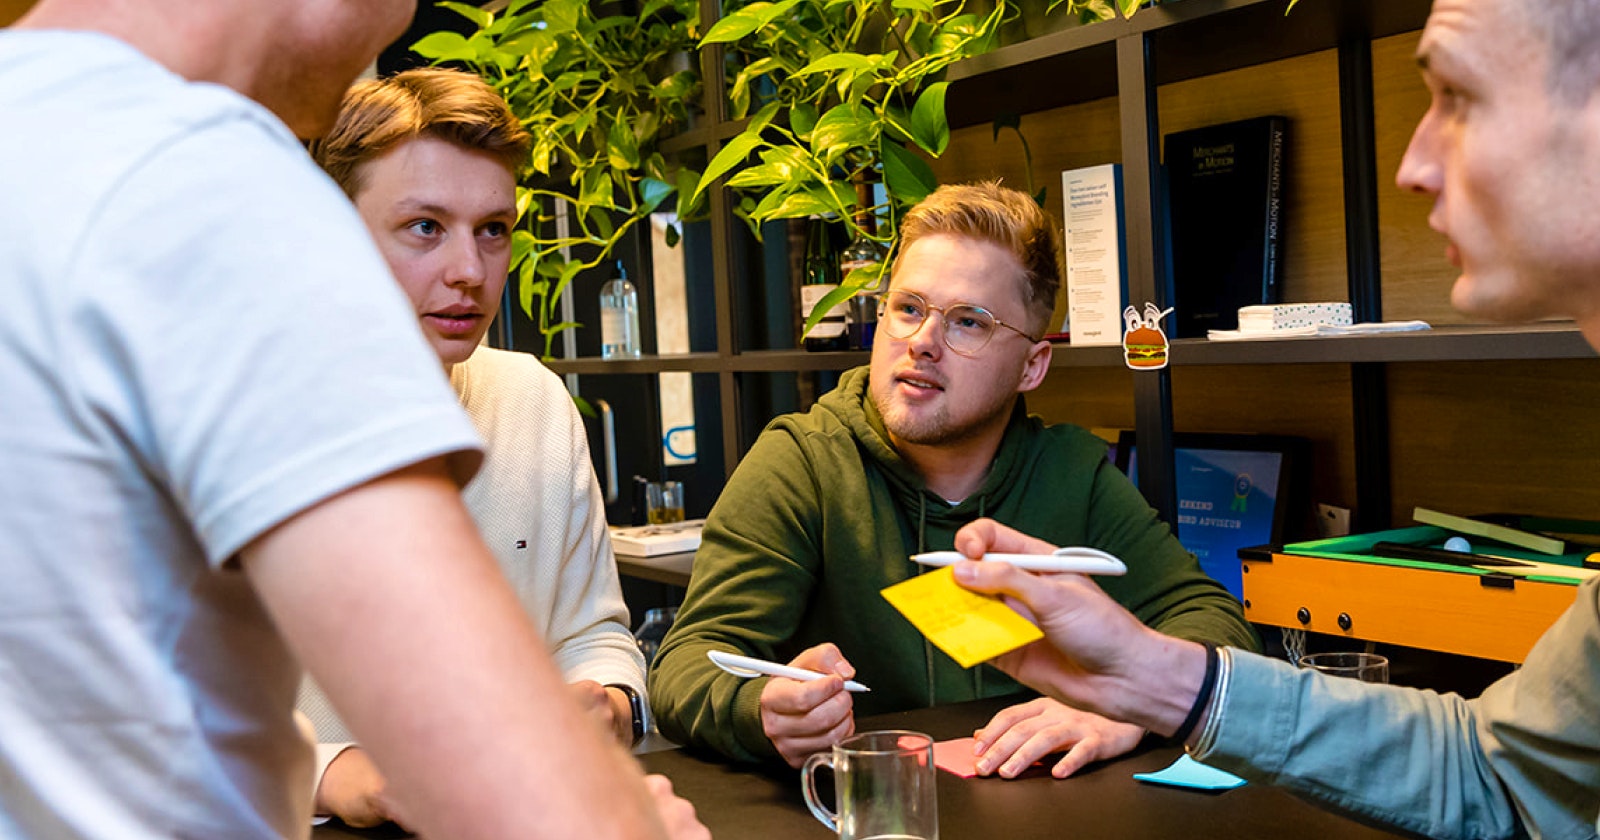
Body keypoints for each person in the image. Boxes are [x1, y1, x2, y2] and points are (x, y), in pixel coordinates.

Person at [0, 3, 702, 839]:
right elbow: (524, 798)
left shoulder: (39, 144)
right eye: (423, 228)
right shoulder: (191, 177)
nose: (394, 27)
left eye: (493, 232)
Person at [948, 1, 1600, 836]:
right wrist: (1148, 679)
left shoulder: (1066, 462)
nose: (1412, 164)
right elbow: (1497, 775)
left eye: (1460, 98)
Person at [648, 181, 1260, 776]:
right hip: (871, 813)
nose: (922, 342)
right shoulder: (805, 461)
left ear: (1032, 364)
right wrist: (761, 712)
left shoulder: (1071, 472)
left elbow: (1215, 626)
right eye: (908, 309)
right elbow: (685, 667)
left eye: (968, 322)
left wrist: (1130, 710)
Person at [295, 68, 652, 829]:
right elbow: (128, 702)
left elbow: (593, 631)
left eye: (493, 229)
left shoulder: (532, 400)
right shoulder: (230, 417)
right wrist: (333, 770)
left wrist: (610, 701)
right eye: (426, 226)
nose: (469, 270)